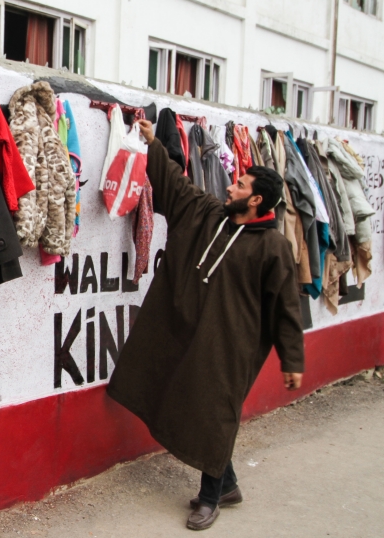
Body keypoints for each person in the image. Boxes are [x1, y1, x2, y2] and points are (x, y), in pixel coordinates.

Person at [107, 119, 305, 531]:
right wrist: (151, 142)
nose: (231, 186)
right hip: (184, 329)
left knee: (216, 413)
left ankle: (211, 496)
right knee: (186, 402)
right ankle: (227, 484)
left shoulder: (273, 248)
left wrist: (292, 360)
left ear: (257, 201)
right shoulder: (207, 214)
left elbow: (286, 307)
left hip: (232, 345)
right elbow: (175, 185)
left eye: (241, 185)